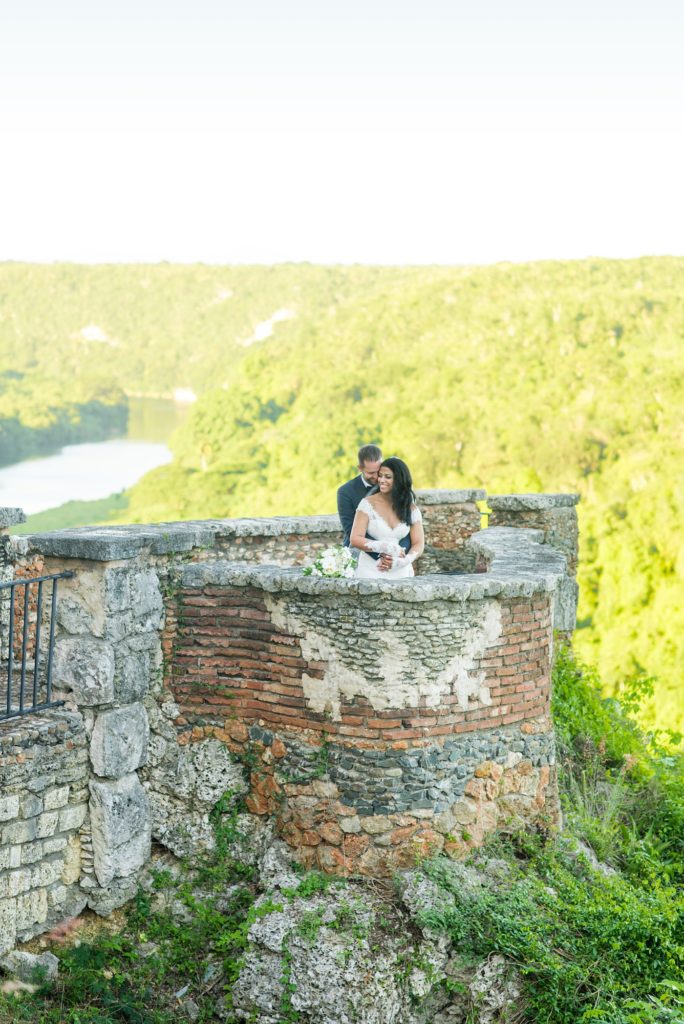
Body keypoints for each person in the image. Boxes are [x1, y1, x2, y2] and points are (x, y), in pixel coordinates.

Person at [350, 456, 424, 579]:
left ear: (399, 479)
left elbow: (418, 543)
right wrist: (385, 546)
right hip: (370, 569)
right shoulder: (367, 504)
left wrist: (404, 561)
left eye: (388, 477)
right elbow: (355, 539)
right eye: (380, 476)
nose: (381, 480)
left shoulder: (411, 509)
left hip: (400, 571)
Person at [337, 444, 383, 547]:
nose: (376, 477)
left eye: (378, 471)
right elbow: (351, 531)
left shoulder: (390, 484)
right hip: (360, 549)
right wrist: (382, 550)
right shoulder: (345, 492)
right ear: (360, 468)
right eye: (371, 473)